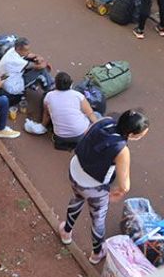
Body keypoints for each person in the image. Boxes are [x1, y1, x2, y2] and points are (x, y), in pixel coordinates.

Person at [59, 110, 150, 264]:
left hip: (75, 169)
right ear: (132, 134)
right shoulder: (122, 150)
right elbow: (124, 185)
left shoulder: (105, 120)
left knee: (77, 199)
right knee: (98, 219)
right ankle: (97, 253)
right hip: (94, 187)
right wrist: (118, 193)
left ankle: (66, 231)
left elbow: (88, 136)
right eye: (141, 135)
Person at [38, 72, 99, 148]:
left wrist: (42, 126)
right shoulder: (78, 95)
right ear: (71, 83)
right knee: (97, 114)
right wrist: (98, 125)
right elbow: (90, 113)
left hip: (60, 136)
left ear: (56, 84)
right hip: (81, 134)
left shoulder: (49, 96)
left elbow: (46, 114)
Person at [0, 37, 50, 103]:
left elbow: (30, 55)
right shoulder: (16, 61)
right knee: (42, 71)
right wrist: (45, 62)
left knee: (32, 60)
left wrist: (37, 57)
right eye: (26, 50)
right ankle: (50, 91)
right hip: (13, 86)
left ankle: (36, 83)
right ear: (18, 49)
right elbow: (39, 67)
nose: (28, 52)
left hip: (4, 79)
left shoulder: (12, 50)